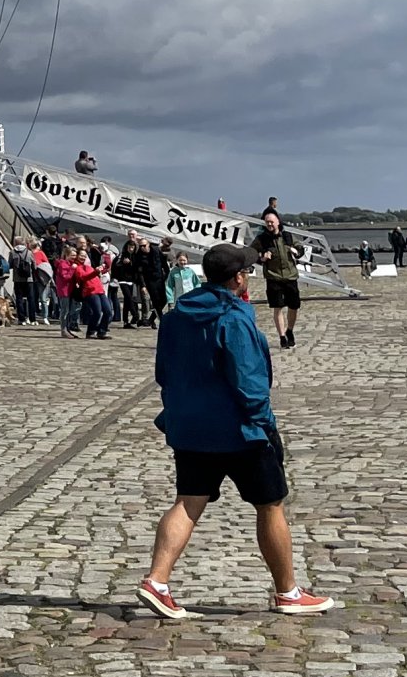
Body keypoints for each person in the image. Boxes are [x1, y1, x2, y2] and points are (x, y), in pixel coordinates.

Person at [135, 242, 335, 619]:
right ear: (239, 277)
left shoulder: (176, 317)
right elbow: (249, 383)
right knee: (270, 505)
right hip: (240, 430)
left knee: (188, 502)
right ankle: (287, 592)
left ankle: (156, 581)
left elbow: (164, 373)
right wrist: (266, 424)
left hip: (191, 428)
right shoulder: (234, 318)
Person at [254, 212, 304, 349]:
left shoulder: (287, 236)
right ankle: (282, 336)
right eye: (267, 222)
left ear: (278, 222)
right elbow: (251, 253)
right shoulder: (262, 239)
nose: (269, 224)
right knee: (278, 307)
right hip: (273, 277)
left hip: (290, 276)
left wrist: (297, 252)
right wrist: (262, 258)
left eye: (271, 221)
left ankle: (290, 330)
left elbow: (300, 248)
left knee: (294, 306)